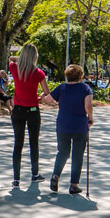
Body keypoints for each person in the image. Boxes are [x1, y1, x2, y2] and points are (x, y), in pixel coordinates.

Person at [44, 64, 93, 194]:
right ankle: (73, 184)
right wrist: (90, 118)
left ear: (67, 75)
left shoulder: (62, 88)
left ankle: (55, 176)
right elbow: (88, 105)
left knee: (63, 152)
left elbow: (48, 100)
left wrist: (46, 98)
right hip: (79, 126)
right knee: (77, 156)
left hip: (63, 125)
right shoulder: (85, 88)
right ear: (80, 76)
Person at [9, 43, 51, 188]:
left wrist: (21, 59)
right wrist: (40, 96)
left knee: (18, 144)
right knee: (34, 143)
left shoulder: (14, 68)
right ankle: (34, 174)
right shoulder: (39, 73)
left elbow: (10, 58)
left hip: (18, 111)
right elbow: (47, 92)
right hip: (33, 110)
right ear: (34, 56)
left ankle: (16, 178)